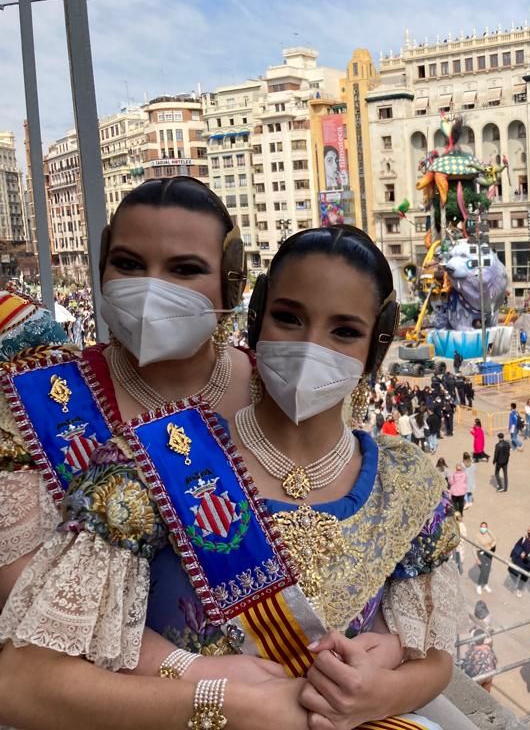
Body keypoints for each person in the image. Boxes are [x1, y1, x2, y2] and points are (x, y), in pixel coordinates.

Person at [0, 223, 462, 728]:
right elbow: (23, 682)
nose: (311, 346)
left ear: (377, 344)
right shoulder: (148, 461)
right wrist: (225, 704)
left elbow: (435, 659)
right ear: (257, 319)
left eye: (344, 331)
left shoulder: (408, 481)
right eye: (289, 318)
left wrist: (383, 693)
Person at [461, 628, 497, 693]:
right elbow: (495, 661)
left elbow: (468, 665)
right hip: (489, 673)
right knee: (487, 686)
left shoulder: (472, 651)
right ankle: (486, 697)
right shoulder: (488, 648)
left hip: (478, 676)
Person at [476, 522, 496, 595]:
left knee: (487, 570)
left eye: (485, 527)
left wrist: (488, 531)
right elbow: (473, 548)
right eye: (482, 527)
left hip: (488, 554)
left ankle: (485, 584)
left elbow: (494, 539)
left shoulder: (488, 534)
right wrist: (476, 559)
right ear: (480, 527)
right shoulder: (478, 535)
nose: (483, 528)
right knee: (484, 570)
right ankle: (478, 585)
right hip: (481, 553)